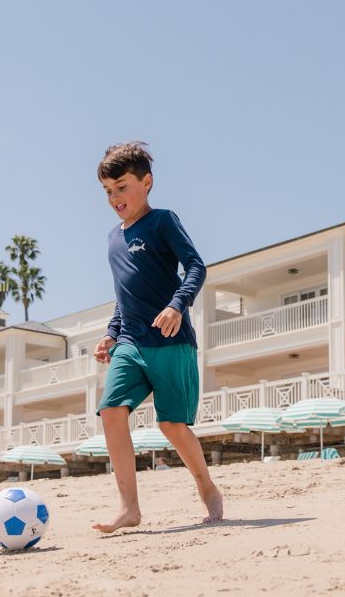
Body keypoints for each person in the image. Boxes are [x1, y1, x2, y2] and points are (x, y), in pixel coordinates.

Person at [91, 142, 223, 533]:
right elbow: (123, 296)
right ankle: (129, 508)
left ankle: (207, 487)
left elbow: (196, 266)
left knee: (172, 426)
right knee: (111, 410)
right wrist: (111, 334)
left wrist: (177, 304)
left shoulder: (163, 221)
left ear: (146, 182)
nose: (115, 197)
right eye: (108, 191)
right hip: (131, 342)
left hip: (171, 340)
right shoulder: (113, 238)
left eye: (122, 186)